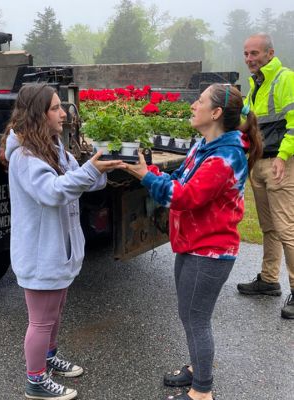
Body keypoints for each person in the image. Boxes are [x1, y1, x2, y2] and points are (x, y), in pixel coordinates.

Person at [121, 83, 262, 400]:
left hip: (211, 251)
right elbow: (179, 180)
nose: (191, 106)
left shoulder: (225, 157)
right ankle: (197, 368)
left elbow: (185, 197)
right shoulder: (203, 146)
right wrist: (149, 170)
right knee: (188, 315)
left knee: (197, 319)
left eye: (198, 101)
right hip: (192, 244)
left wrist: (145, 177)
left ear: (215, 113)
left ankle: (202, 391)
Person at [0, 83, 125, 400]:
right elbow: (53, 192)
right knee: (40, 321)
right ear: (39, 114)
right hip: (41, 254)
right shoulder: (25, 157)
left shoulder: (54, 148)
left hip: (58, 252)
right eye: (56, 107)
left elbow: (87, 181)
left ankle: (49, 358)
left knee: (54, 313)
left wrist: (101, 164)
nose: (63, 112)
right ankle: (35, 381)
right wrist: (88, 170)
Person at [237, 33, 294, 319]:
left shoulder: (286, 78)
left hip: (280, 164)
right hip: (259, 162)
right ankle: (270, 280)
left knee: (287, 228)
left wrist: (284, 157)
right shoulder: (255, 85)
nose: (249, 59)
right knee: (268, 226)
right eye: (246, 54)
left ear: (270, 53)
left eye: (255, 53)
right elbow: (252, 124)